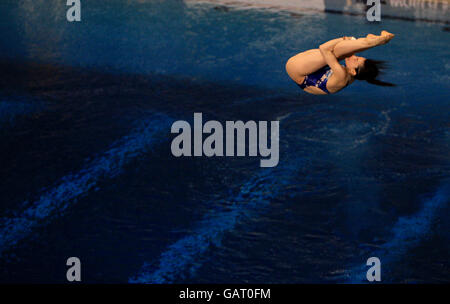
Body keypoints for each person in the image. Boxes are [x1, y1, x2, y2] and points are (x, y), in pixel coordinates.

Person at [285, 31, 395, 95]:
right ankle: (370, 42)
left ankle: (372, 42)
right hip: (310, 73)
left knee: (336, 51)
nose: (354, 57)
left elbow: (324, 48)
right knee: (342, 53)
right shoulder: (353, 73)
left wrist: (344, 39)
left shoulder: (341, 74)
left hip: (298, 72)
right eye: (358, 57)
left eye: (356, 60)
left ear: (353, 71)